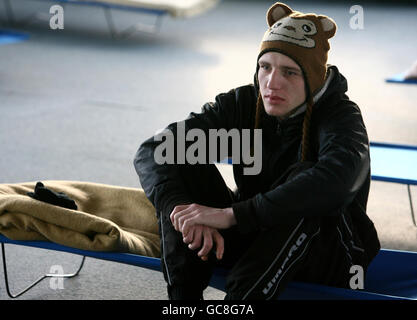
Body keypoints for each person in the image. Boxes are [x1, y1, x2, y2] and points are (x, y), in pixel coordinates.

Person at [134, 2, 380, 300]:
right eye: (265, 67)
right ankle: (184, 301)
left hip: (329, 256)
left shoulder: (339, 116)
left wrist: (233, 214)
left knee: (306, 184)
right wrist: (181, 209)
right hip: (255, 239)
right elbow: (155, 149)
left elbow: (337, 181)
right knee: (182, 161)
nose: (272, 83)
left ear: (313, 79)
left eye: (290, 73)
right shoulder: (243, 103)